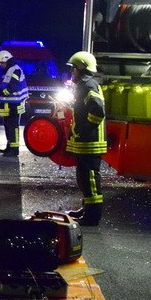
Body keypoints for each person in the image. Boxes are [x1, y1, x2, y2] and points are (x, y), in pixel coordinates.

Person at [65, 51, 107, 226]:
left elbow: (98, 111)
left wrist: (84, 130)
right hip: (85, 141)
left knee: (89, 178)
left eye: (74, 68)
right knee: (83, 177)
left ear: (81, 68)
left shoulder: (88, 85)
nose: (72, 72)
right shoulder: (84, 84)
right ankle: (87, 208)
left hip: (90, 141)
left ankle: (93, 216)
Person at [0, 49, 27, 157]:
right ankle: (9, 147)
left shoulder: (15, 70)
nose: (1, 65)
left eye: (1, 63)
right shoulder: (9, 70)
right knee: (8, 126)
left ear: (6, 60)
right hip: (9, 104)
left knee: (13, 127)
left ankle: (14, 150)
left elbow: (12, 88)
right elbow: (5, 86)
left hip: (15, 104)